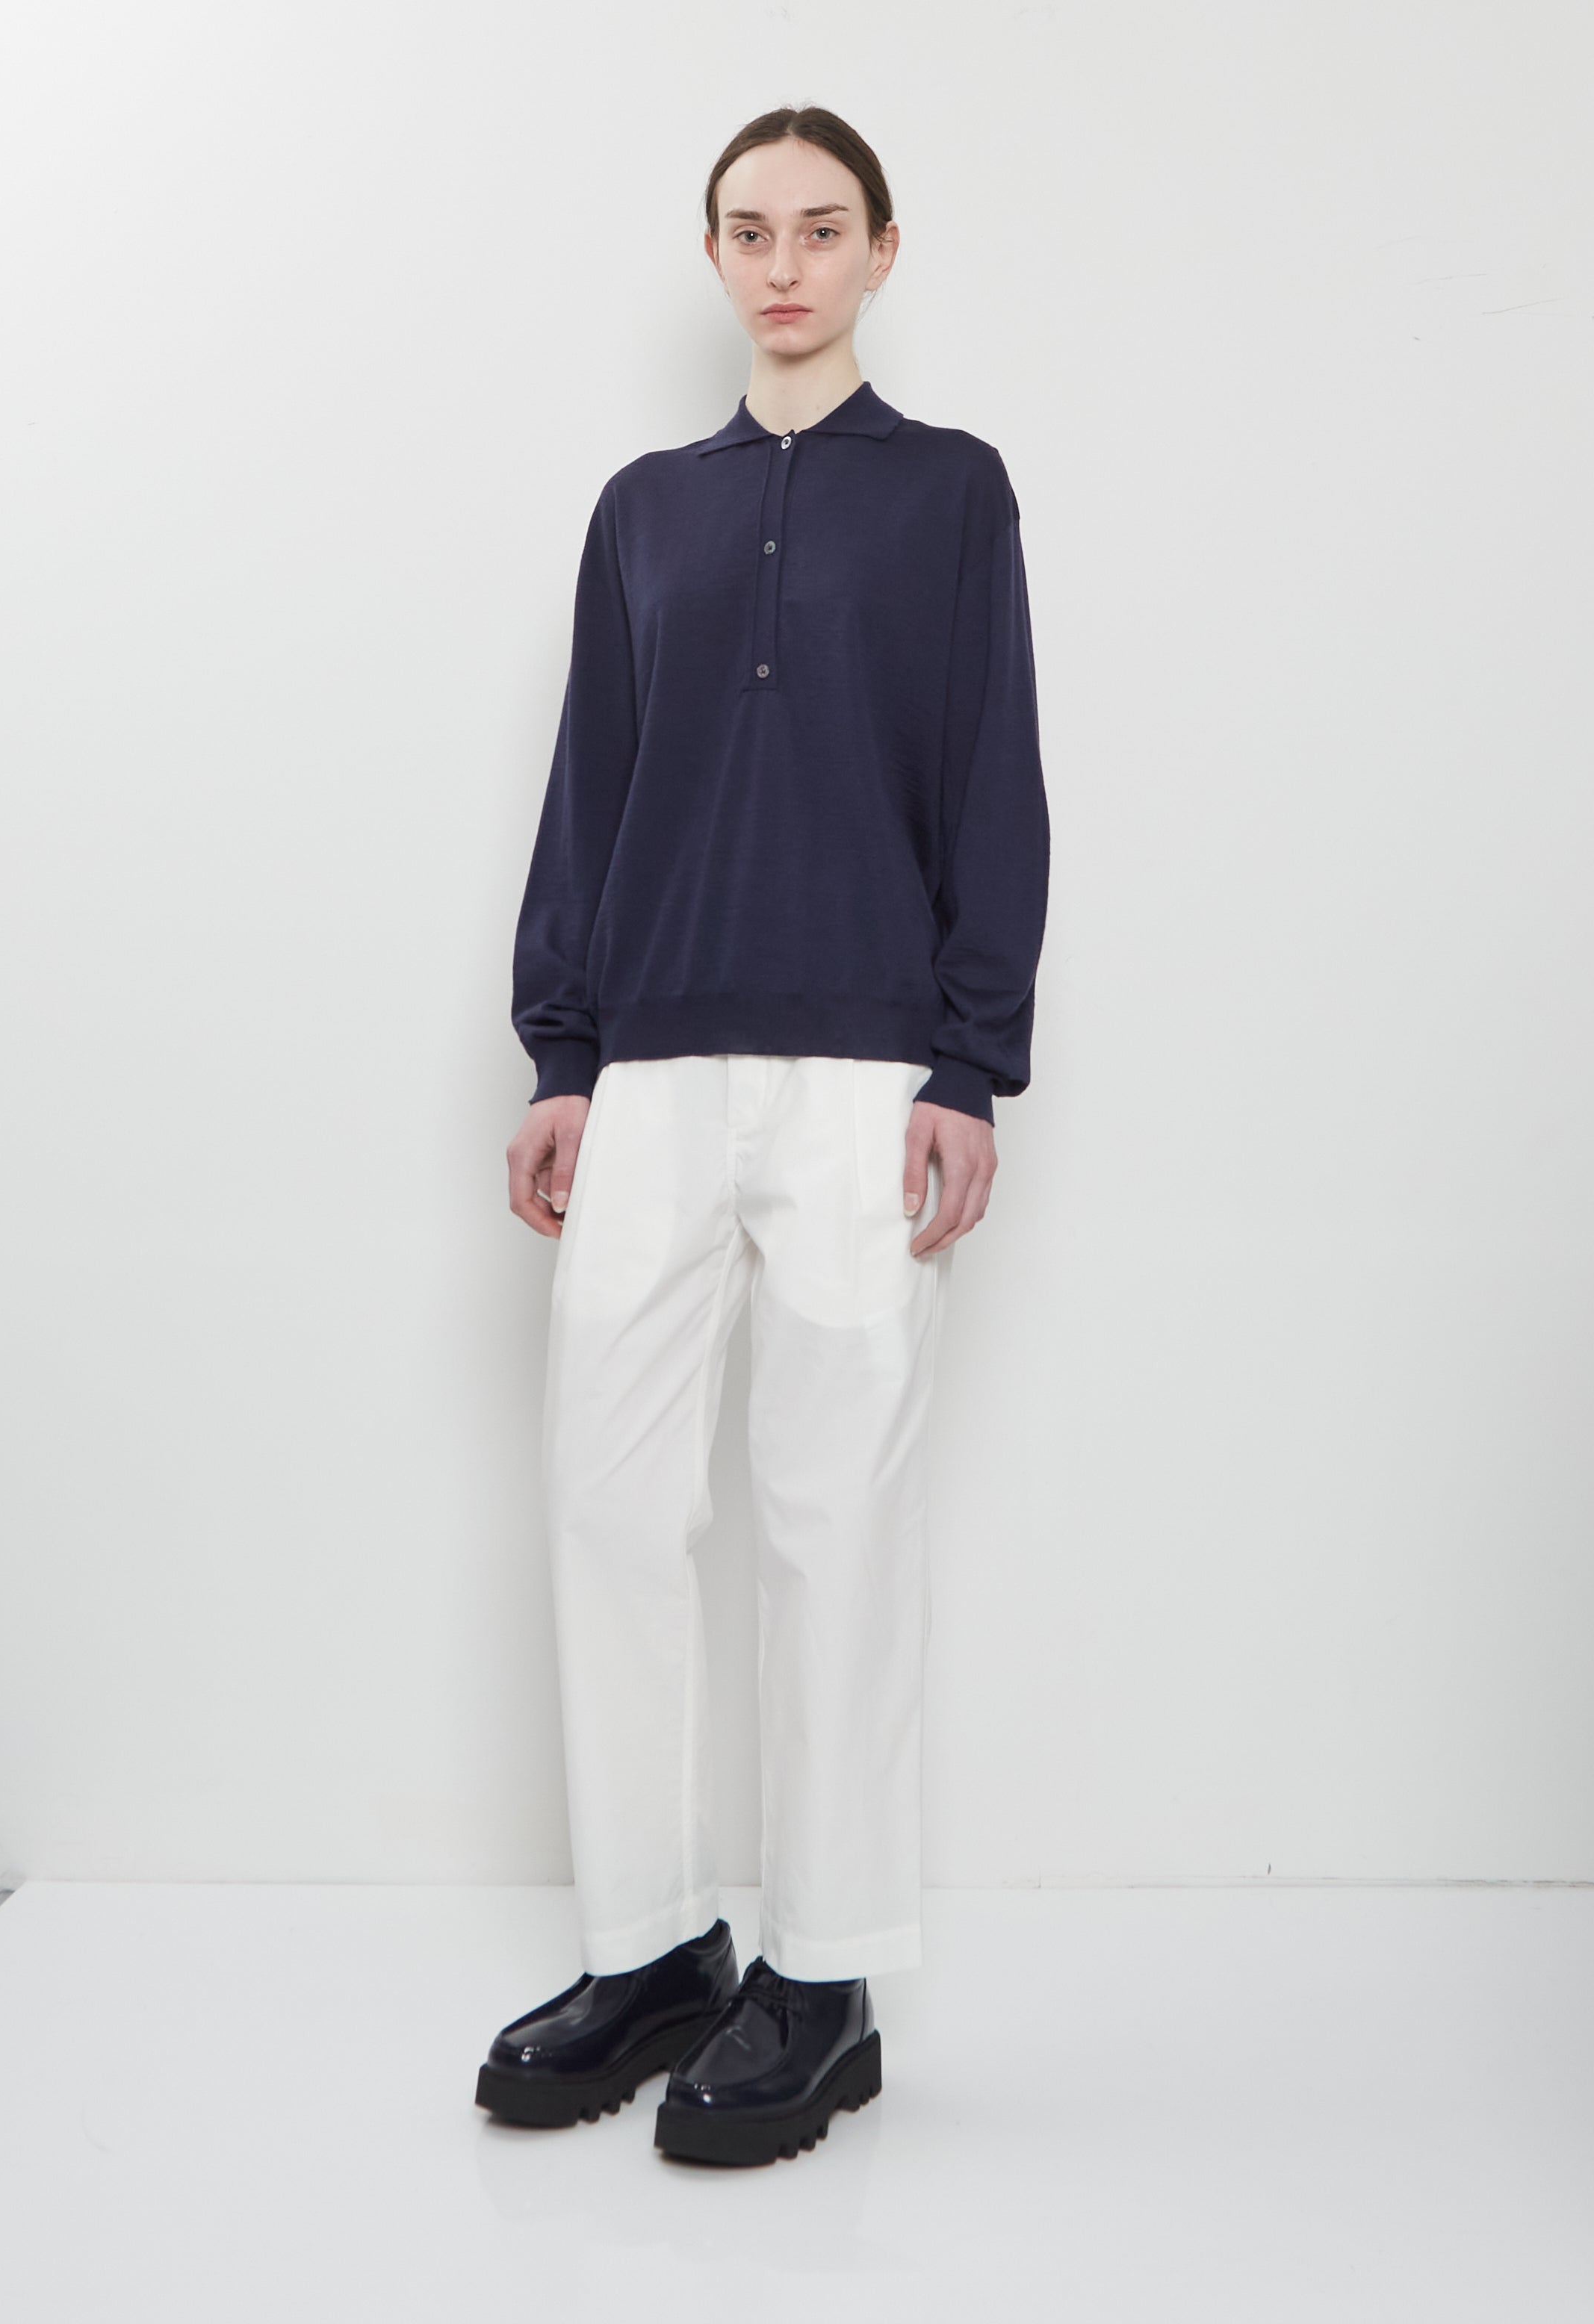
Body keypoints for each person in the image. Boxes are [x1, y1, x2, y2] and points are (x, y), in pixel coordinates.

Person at [474, 104, 1050, 2168]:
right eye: (750, 230)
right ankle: (650, 1945)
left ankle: (823, 1973)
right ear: (713, 253)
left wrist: (972, 1065)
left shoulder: (954, 494)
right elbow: (590, 784)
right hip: (650, 1071)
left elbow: (993, 776)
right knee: (609, 1503)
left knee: (833, 1521)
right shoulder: (645, 508)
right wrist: (562, 1051)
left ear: (884, 249)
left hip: (865, 1082)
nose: (784, 264)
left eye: (821, 229)